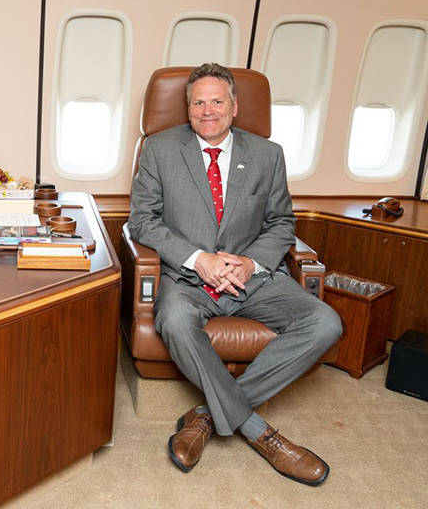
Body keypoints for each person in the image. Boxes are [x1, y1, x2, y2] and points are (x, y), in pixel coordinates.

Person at [127, 63, 341, 486]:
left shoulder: (267, 154)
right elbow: (142, 221)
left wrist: (250, 263)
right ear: (187, 108)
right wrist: (197, 259)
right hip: (189, 280)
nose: (208, 111)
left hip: (255, 279)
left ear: (235, 106)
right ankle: (263, 434)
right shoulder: (160, 148)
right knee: (172, 320)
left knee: (325, 322)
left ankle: (205, 416)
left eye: (217, 101)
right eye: (198, 102)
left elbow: (282, 223)